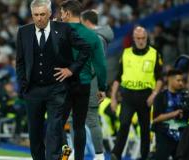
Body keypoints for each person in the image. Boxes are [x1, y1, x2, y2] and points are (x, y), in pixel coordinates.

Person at [15, 0, 91, 159]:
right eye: (36, 15)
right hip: (33, 91)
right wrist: (23, 86)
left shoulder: (63, 29)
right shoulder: (23, 32)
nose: (39, 18)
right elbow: (20, 62)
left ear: (50, 14)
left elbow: (85, 48)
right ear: (32, 15)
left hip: (57, 89)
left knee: (54, 131)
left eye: (42, 14)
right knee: (34, 134)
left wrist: (71, 70)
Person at [60, 1, 107, 160]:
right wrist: (102, 87)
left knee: (58, 123)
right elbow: (100, 64)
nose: (60, 16)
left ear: (67, 13)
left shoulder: (58, 32)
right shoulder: (92, 36)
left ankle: (63, 155)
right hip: (84, 85)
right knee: (79, 125)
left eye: (61, 13)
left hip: (62, 84)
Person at [110, 26, 163, 160]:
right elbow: (118, 77)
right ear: (133, 39)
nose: (141, 41)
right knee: (124, 123)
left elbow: (160, 79)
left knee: (145, 128)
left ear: (147, 38)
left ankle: (144, 156)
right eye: (138, 38)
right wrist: (113, 98)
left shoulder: (154, 54)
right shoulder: (125, 53)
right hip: (127, 95)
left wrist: (154, 94)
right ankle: (116, 154)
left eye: (143, 38)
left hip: (146, 97)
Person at [80, 9, 114, 160]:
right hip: (93, 83)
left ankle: (98, 155)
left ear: (87, 22)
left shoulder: (95, 38)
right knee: (85, 120)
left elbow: (95, 66)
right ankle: (96, 155)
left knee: (86, 120)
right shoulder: (101, 37)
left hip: (87, 83)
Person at [152, 69, 187, 160]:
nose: (181, 83)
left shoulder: (185, 96)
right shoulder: (161, 97)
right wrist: (173, 114)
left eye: (182, 81)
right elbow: (155, 119)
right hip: (165, 132)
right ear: (170, 80)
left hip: (182, 132)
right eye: (178, 80)